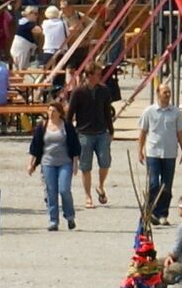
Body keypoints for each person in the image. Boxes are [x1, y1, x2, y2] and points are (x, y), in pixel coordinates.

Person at [31, 87, 80, 231]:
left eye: (54, 111)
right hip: (48, 162)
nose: (51, 113)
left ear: (60, 113)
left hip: (65, 162)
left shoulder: (67, 126)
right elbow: (35, 146)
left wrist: (75, 163)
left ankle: (70, 216)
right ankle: (53, 220)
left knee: (64, 190)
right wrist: (31, 164)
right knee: (51, 192)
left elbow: (75, 145)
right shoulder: (43, 126)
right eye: (49, 111)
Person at [70, 66, 118, 207]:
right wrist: (70, 133)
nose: (100, 77)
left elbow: (107, 111)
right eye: (97, 74)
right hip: (84, 133)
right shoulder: (78, 92)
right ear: (89, 75)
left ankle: (101, 185)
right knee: (85, 166)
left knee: (105, 161)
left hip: (102, 132)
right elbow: (70, 113)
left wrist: (111, 130)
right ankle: (87, 196)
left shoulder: (104, 90)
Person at [141, 85, 182, 222]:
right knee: (153, 184)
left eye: (169, 92)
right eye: (165, 92)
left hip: (170, 153)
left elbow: (180, 133)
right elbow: (142, 132)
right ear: (158, 93)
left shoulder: (176, 113)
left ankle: (162, 214)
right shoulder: (149, 112)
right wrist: (139, 150)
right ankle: (149, 211)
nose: (167, 94)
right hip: (153, 152)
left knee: (166, 185)